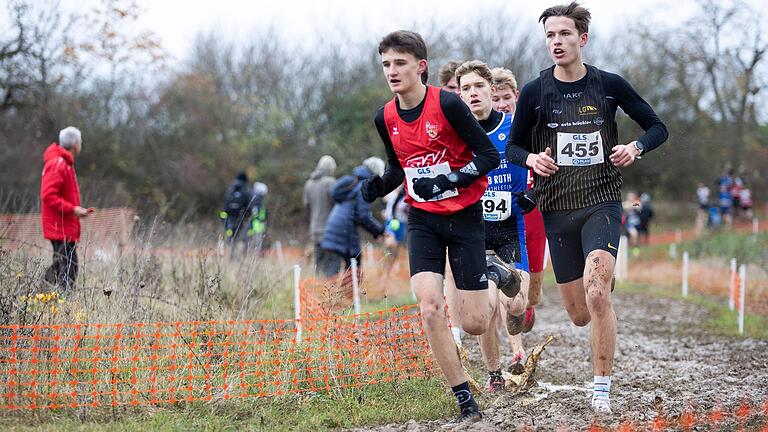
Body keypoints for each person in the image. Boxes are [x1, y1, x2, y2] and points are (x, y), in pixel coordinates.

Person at [505, 2, 669, 414]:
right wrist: (530, 159)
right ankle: (599, 277)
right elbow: (512, 147)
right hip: (557, 208)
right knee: (579, 313)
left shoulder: (609, 85)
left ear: (582, 38)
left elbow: (657, 127)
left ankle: (601, 388)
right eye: (549, 36)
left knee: (597, 294)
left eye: (563, 34)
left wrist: (635, 147)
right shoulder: (534, 91)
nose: (556, 42)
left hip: (602, 201)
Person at [361, 30, 512, 424]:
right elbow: (399, 168)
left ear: (420, 67)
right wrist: (379, 187)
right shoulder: (385, 116)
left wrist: (449, 181)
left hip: (464, 218)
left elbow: (489, 155)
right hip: (423, 220)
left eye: (399, 64)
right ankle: (464, 397)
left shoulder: (447, 104)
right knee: (430, 309)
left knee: (475, 323)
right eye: (386, 65)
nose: (392, 72)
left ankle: (494, 270)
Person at [456, 60, 531, 390]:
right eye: (465, 90)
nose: (473, 94)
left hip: (510, 228)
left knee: (517, 305)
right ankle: (495, 374)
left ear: (492, 90)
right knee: (482, 310)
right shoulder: (457, 134)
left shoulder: (517, 128)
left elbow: (544, 162)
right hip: (474, 232)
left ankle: (505, 277)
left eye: (478, 87)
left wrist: (535, 192)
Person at [492, 66, 547, 340]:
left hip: (533, 211)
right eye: (496, 99)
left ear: (516, 96)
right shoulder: (484, 130)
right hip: (502, 215)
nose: (502, 105)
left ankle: (528, 303)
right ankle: (515, 346)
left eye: (506, 98)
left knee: (532, 292)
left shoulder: (529, 127)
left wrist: (536, 192)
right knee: (508, 283)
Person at [317, 157, 387, 278]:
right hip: (344, 231)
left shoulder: (354, 181)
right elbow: (364, 216)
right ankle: (349, 295)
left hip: (335, 228)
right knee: (354, 265)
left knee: (344, 265)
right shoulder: (363, 187)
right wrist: (380, 230)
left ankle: (343, 294)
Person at [41, 126, 92, 291]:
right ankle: (65, 303)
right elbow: (48, 196)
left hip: (64, 226)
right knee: (68, 268)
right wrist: (73, 210)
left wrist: (76, 211)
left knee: (63, 265)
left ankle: (40, 291)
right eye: (81, 141)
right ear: (76, 144)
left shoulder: (64, 163)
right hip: (59, 227)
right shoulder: (58, 164)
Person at [303, 155, 337, 261]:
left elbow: (306, 207)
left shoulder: (308, 184)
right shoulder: (330, 182)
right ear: (330, 168)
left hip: (314, 230)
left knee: (319, 266)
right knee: (331, 267)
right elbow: (337, 205)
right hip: (329, 231)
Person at [220, 171, 252, 259]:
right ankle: (243, 258)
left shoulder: (230, 190)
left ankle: (232, 258)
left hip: (230, 220)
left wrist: (224, 222)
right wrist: (248, 218)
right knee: (245, 239)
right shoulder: (246, 190)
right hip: (242, 220)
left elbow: (225, 208)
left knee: (232, 240)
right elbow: (249, 207)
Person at [247, 181, 269, 255]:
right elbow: (255, 212)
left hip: (258, 224)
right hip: (256, 225)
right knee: (256, 241)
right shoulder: (257, 199)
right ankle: (254, 255)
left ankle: (254, 255)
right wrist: (260, 219)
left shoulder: (257, 198)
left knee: (256, 241)